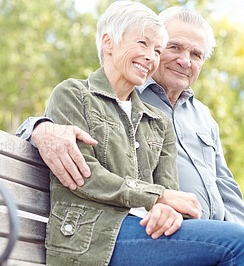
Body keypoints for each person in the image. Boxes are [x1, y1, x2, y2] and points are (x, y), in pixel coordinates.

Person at [34, 1, 244, 265]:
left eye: (156, 49)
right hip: (96, 235)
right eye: (144, 44)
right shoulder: (75, 94)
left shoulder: (164, 120)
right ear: (109, 43)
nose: (151, 57)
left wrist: (167, 209)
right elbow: (83, 173)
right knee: (237, 243)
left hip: (162, 232)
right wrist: (37, 127)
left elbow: (179, 190)